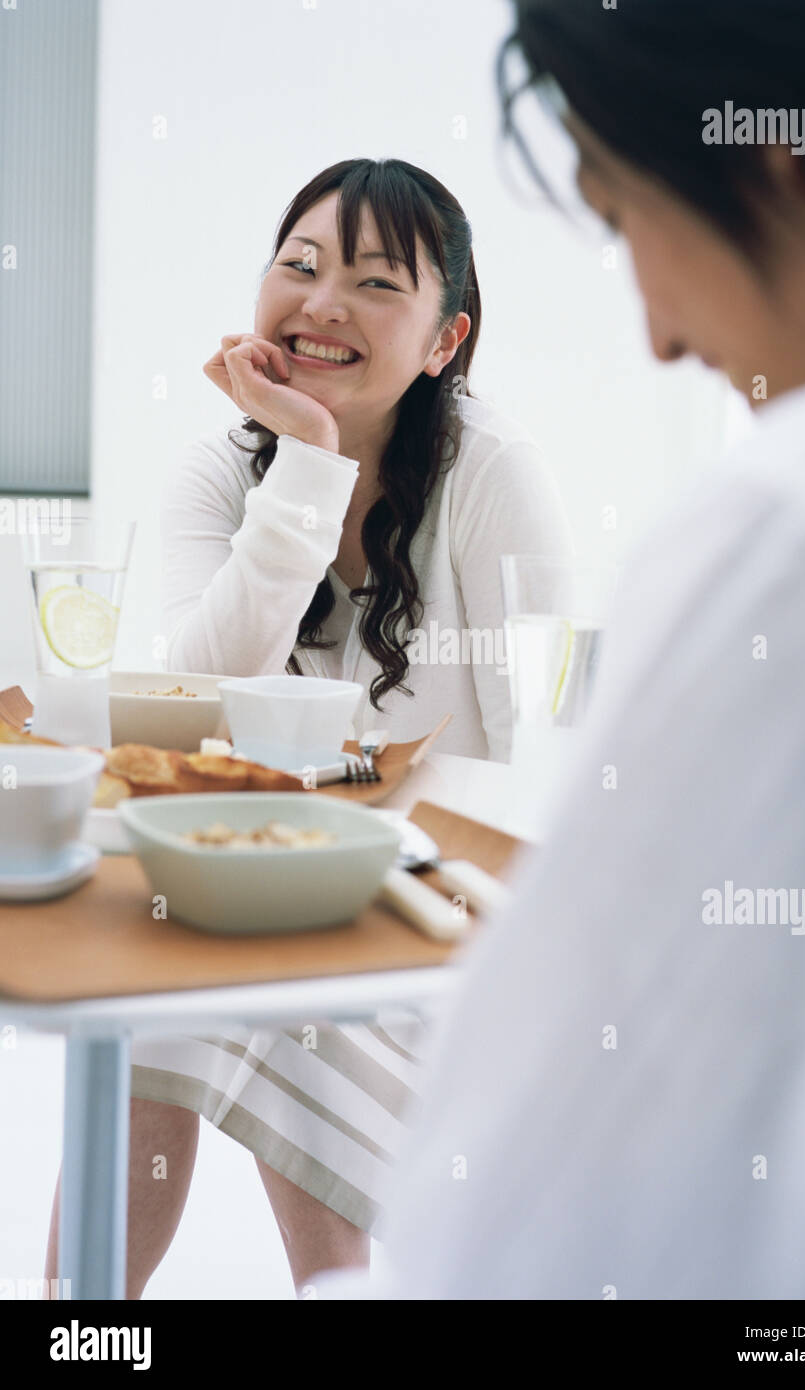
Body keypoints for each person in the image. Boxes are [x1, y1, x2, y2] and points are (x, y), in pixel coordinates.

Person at [314, 0, 805, 1298]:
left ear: (774, 153)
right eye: (302, 263)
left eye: (622, 219)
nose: (653, 334)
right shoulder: (249, 459)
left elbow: (543, 1251)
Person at [42, 158, 569, 1297]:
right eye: (300, 264)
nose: (323, 302)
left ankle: (73, 1316)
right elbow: (191, 707)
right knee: (179, 988)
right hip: (296, 908)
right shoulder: (215, 473)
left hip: (444, 932)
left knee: (181, 1006)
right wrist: (307, 466)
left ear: (444, 339)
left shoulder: (492, 472)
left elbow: (558, 741)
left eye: (377, 282)